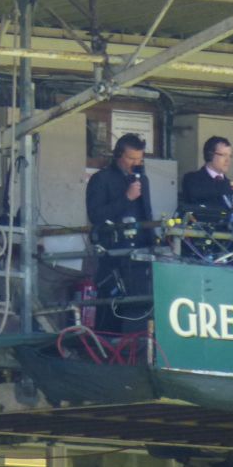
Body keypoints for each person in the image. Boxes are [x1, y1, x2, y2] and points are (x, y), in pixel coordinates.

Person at [85, 132, 154, 332]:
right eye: (131, 159)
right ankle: (107, 345)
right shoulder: (102, 179)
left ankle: (137, 345)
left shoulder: (143, 179)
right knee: (112, 304)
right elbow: (96, 214)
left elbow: (146, 213)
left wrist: (154, 245)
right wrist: (127, 197)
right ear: (118, 155)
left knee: (139, 304)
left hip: (139, 253)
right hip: (113, 252)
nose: (135, 163)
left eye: (139, 159)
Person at [180, 136, 233, 213]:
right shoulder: (192, 179)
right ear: (210, 155)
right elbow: (199, 201)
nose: (228, 160)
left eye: (230, 156)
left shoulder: (232, 186)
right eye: (223, 155)